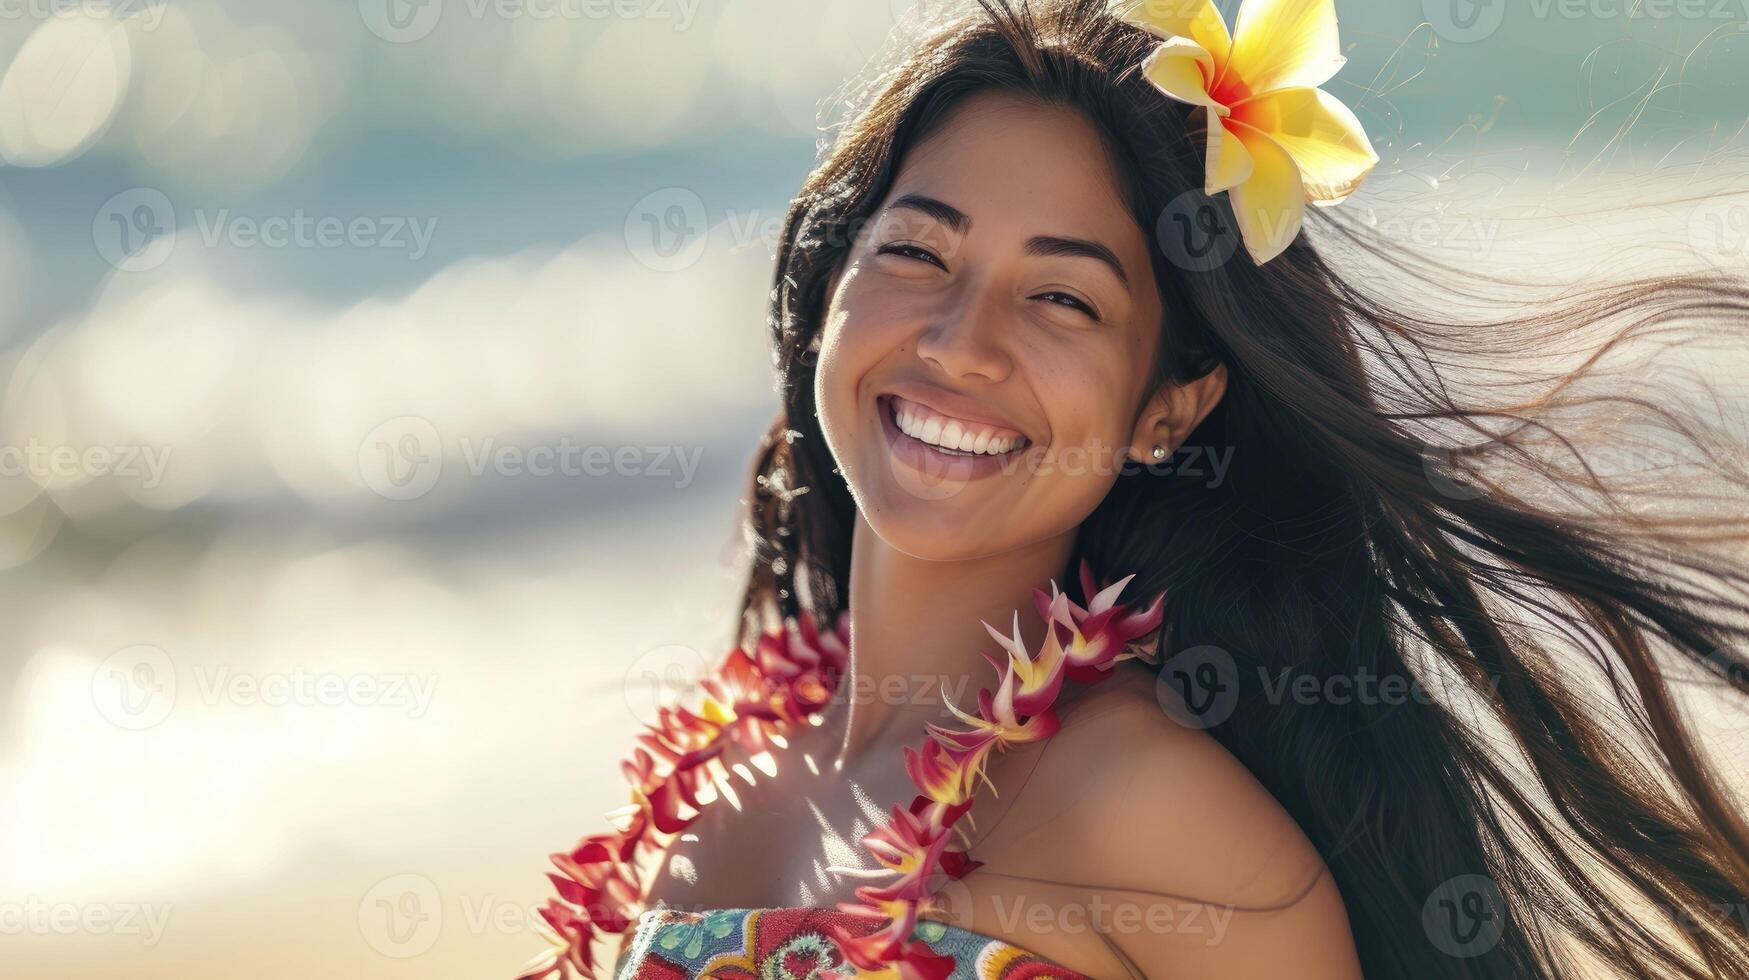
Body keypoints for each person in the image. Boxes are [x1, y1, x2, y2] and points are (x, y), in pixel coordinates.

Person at [524, 1, 1749, 977]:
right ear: (830, 281)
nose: (960, 340)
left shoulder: (1149, 810)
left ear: (1171, 406)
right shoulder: (724, 770)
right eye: (916, 249)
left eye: (1063, 297)